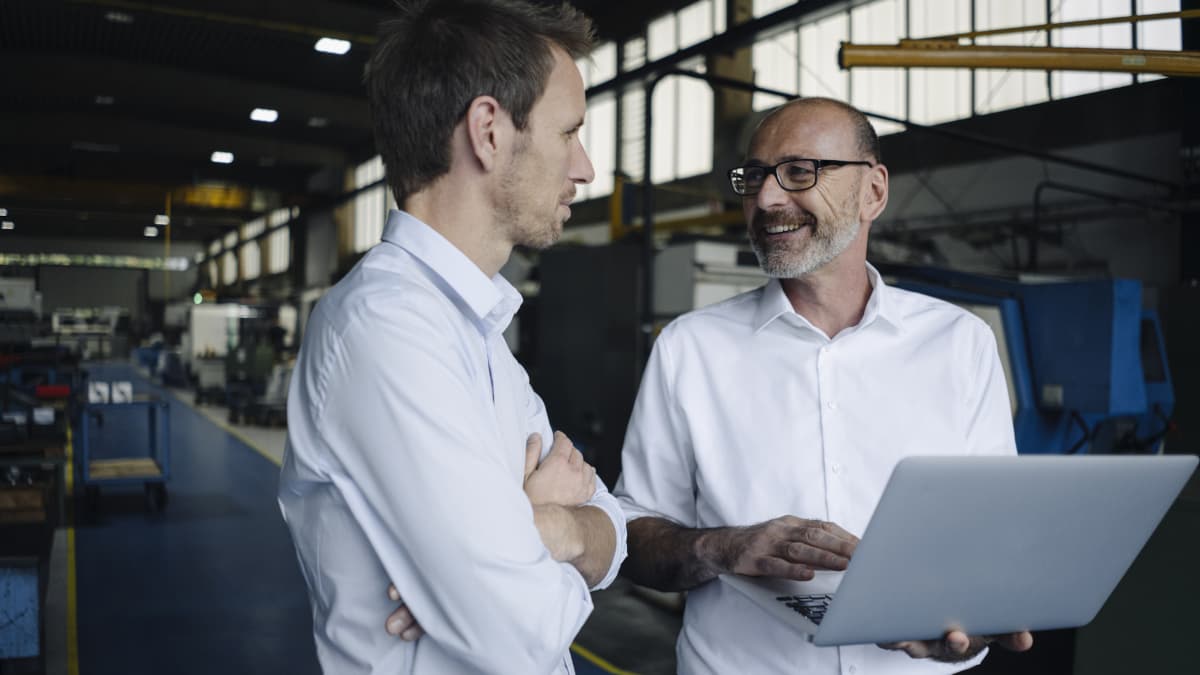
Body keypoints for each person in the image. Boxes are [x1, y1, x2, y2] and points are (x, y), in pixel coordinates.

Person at [612, 97, 1033, 674]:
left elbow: (990, 536)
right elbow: (630, 539)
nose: (765, 198)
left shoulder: (960, 343)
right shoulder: (691, 348)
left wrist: (974, 622)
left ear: (874, 192)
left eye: (799, 172)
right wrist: (724, 547)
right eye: (754, 177)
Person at [277, 2, 626, 674]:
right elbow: (518, 633)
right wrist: (532, 546)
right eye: (568, 133)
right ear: (489, 132)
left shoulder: (479, 333)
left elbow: (613, 540)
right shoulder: (383, 330)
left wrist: (540, 524)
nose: (583, 167)